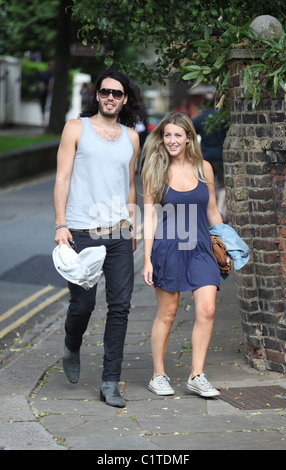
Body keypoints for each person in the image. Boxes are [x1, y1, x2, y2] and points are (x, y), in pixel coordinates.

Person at [53, 69, 144, 407]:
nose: (110, 97)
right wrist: (60, 224)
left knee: (120, 308)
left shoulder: (131, 137)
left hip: (120, 232)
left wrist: (133, 224)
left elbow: (130, 185)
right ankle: (72, 341)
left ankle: (110, 381)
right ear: (97, 95)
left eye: (117, 94)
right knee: (83, 304)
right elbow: (62, 178)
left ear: (124, 100)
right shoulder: (76, 128)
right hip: (80, 231)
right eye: (105, 91)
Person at [141, 112, 224, 398]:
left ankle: (196, 375)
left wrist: (229, 242)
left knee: (208, 309)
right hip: (168, 249)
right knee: (167, 313)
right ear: (161, 138)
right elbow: (150, 217)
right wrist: (147, 257)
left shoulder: (205, 169)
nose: (172, 140)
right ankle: (158, 375)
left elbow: (211, 209)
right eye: (167, 135)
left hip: (201, 249)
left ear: (190, 137)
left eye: (178, 135)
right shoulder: (154, 170)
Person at [192, 95, 227, 221]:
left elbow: (190, 135)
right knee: (223, 185)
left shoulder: (199, 119)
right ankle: (220, 209)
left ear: (203, 102)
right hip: (220, 156)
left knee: (208, 186)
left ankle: (210, 211)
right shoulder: (223, 118)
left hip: (206, 157)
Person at [37, 60, 54, 126]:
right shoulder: (49, 74)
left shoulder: (43, 73)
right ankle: (44, 120)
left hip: (44, 93)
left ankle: (44, 119)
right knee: (45, 106)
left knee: (44, 106)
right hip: (45, 93)